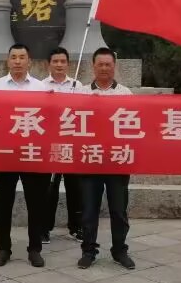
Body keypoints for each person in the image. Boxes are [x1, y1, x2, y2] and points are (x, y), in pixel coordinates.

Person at [0, 43, 50, 267]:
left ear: (29, 62)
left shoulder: (41, 88)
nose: (17, 61)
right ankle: (3, 248)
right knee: (4, 204)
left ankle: (34, 248)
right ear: (8, 61)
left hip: (32, 153)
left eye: (22, 57)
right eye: (13, 57)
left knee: (35, 204)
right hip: (6, 153)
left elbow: (48, 119)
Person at [76, 47, 135, 270]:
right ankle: (88, 251)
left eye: (108, 64)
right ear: (93, 66)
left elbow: (133, 126)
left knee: (118, 210)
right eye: (100, 64)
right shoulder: (81, 92)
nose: (104, 68)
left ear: (114, 67)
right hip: (90, 159)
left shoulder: (125, 93)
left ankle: (119, 250)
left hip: (117, 160)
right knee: (89, 210)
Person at [41, 46, 85, 244]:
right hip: (50, 144)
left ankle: (76, 227)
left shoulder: (77, 85)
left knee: (75, 188)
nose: (59, 65)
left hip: (71, 143)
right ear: (48, 64)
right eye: (55, 61)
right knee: (49, 188)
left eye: (62, 61)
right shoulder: (41, 86)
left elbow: (85, 112)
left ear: (68, 64)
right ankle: (44, 228)